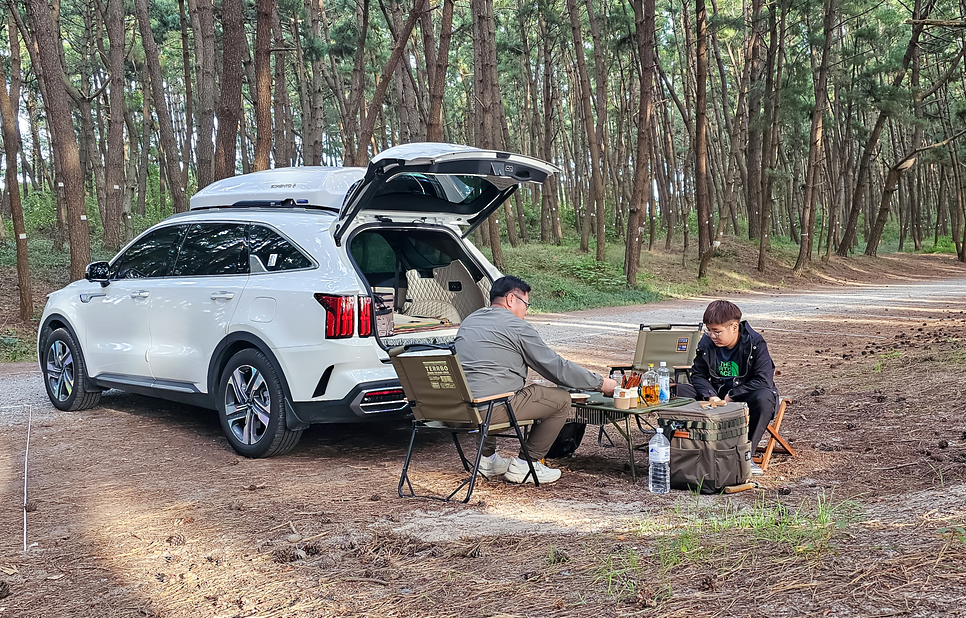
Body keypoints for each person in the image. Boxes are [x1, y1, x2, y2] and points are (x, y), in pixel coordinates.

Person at [454, 275, 618, 484]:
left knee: (488, 384)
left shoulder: (470, 321)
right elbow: (556, 368)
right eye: (526, 304)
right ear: (511, 299)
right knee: (560, 399)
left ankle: (487, 459)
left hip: (459, 409)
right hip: (490, 412)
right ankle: (527, 465)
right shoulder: (516, 326)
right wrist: (601, 383)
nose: (526, 311)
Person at [676, 300, 776, 476]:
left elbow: (763, 380)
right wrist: (710, 395)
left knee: (765, 398)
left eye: (717, 331)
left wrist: (732, 395)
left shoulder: (755, 343)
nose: (712, 336)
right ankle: (685, 449)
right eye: (709, 331)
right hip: (716, 395)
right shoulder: (706, 343)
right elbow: (697, 374)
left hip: (746, 395)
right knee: (678, 391)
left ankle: (746, 456)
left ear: (734, 327)